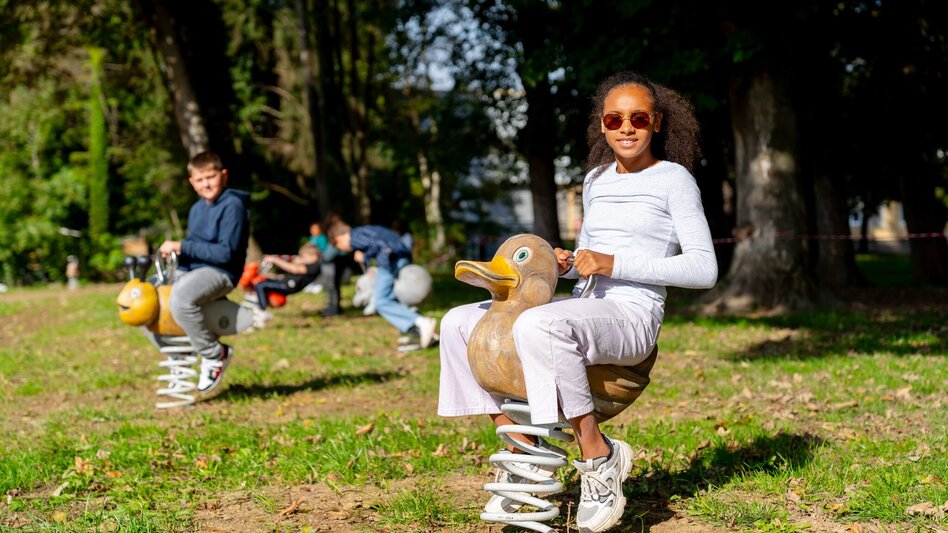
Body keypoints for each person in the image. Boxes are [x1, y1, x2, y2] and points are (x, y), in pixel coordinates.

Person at [437, 71, 718, 532]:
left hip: (632, 314)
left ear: (658, 123)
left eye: (638, 118)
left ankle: (598, 456)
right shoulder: (595, 179)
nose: (626, 128)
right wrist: (569, 263)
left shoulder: (674, 180)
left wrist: (614, 262)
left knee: (539, 326)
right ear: (603, 126)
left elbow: (703, 269)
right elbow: (591, 255)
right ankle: (521, 448)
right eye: (615, 118)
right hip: (582, 303)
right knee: (457, 323)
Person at [157, 150, 250, 395]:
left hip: (221, 272)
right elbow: (196, 248)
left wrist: (182, 246)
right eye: (199, 180)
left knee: (180, 298)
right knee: (147, 300)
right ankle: (177, 357)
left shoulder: (233, 205)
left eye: (211, 177)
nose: (206, 184)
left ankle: (215, 354)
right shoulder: (198, 209)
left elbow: (225, 253)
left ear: (224, 175)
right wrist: (177, 255)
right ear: (192, 183)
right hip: (194, 270)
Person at [327, 221, 439, 348]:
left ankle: (420, 322)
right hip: (401, 257)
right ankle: (424, 333)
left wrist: (365, 256)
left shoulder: (354, 237)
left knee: (381, 301)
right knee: (394, 299)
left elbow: (380, 245)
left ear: (339, 238)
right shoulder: (365, 230)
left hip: (389, 263)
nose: (344, 249)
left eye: (339, 246)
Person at [253, 243, 322, 310]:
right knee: (260, 280)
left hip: (288, 286)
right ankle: (255, 299)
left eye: (304, 257)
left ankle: (262, 310)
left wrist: (275, 260)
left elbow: (295, 270)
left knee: (261, 285)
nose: (302, 259)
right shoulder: (310, 265)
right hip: (285, 282)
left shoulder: (314, 266)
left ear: (314, 256)